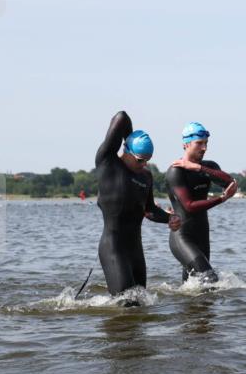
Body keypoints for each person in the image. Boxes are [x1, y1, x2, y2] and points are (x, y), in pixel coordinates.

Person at [95, 111, 181, 300]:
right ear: (126, 151)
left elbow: (149, 210)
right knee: (126, 302)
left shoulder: (145, 176)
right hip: (113, 247)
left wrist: (170, 218)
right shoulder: (108, 164)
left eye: (147, 160)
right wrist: (132, 138)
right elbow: (121, 117)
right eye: (140, 159)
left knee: (140, 304)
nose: (144, 164)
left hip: (135, 251)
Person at [166, 121, 237, 283]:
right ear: (186, 144)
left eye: (206, 143)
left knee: (193, 288)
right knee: (210, 279)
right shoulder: (176, 171)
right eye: (199, 143)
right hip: (182, 237)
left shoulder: (208, 167)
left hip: (202, 235)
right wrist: (222, 198)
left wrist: (198, 168)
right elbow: (189, 206)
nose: (204, 148)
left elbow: (231, 182)